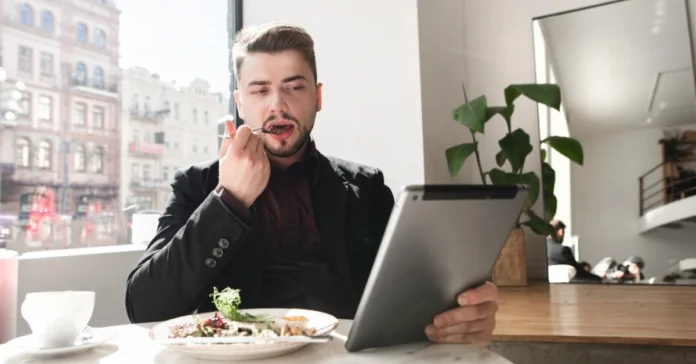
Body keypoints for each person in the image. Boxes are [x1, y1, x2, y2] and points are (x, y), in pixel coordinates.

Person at [125, 22, 499, 345]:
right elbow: (145, 307)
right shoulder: (197, 185)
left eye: (294, 87)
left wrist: (462, 316)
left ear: (317, 97)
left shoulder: (367, 189)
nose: (278, 105)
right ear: (240, 103)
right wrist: (229, 201)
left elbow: (412, 296)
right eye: (260, 90)